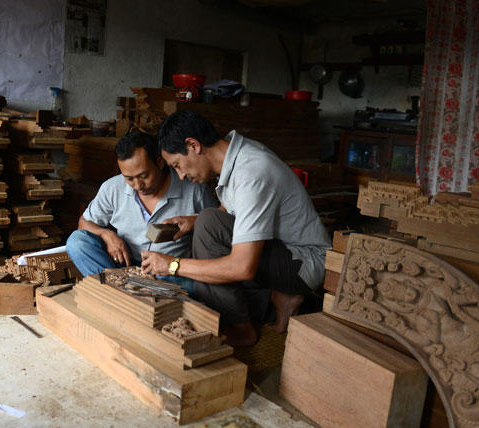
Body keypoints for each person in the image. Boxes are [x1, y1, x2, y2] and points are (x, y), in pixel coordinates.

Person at [141, 110, 331, 345]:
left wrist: (171, 265)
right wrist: (193, 220)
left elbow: (242, 267)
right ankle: (278, 296)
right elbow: (230, 210)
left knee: (209, 228)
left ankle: (241, 328)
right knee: (207, 221)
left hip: (303, 262)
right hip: (285, 252)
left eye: (178, 165)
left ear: (193, 145)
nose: (180, 175)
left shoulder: (251, 173)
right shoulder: (236, 154)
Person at [66, 131, 218, 290]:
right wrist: (105, 234)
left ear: (159, 162)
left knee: (202, 287)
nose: (138, 185)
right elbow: (83, 223)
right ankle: (115, 290)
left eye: (144, 175)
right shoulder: (112, 187)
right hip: (124, 266)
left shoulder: (194, 190)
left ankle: (124, 294)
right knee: (77, 241)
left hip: (168, 272)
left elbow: (219, 226)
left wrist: (195, 220)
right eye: (129, 178)